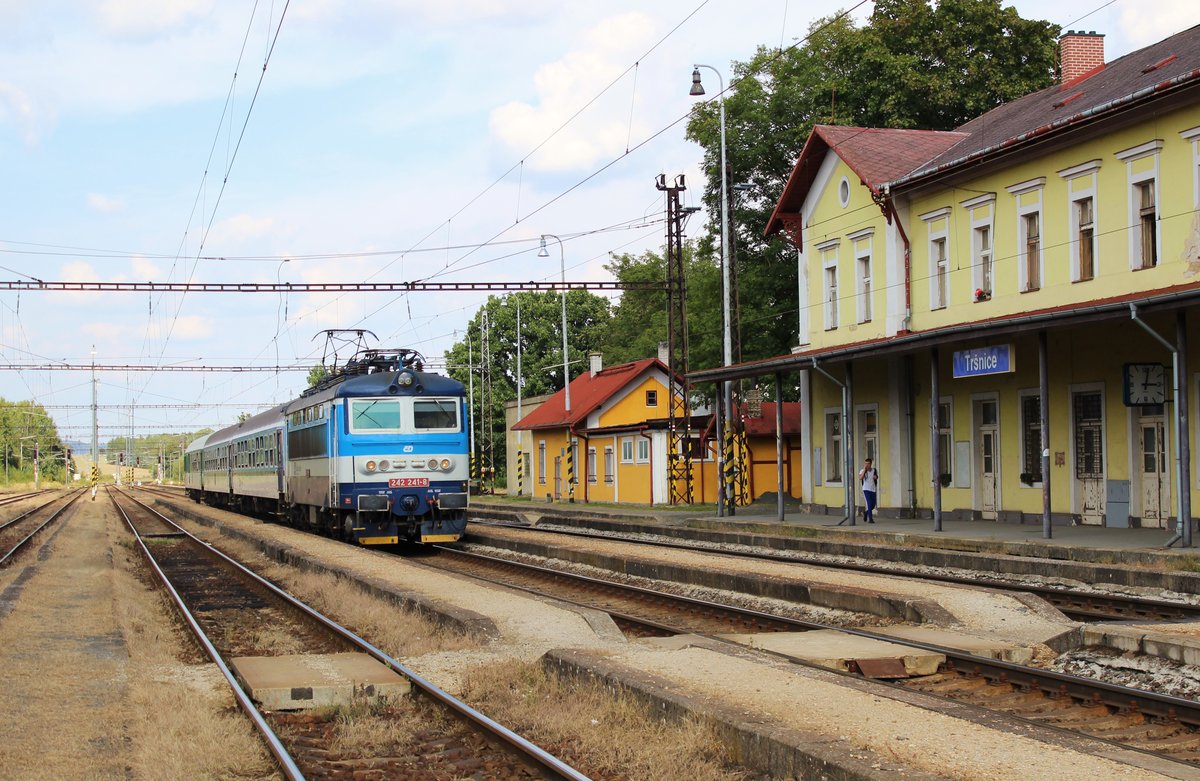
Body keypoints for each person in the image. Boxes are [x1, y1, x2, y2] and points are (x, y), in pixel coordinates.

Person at [859, 457, 878, 523]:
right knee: (869, 503)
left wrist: (875, 477)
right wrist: (864, 470)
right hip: (866, 489)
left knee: (873, 505)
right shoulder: (862, 470)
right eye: (865, 464)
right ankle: (870, 519)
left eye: (868, 464)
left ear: (871, 464)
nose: (867, 465)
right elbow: (860, 478)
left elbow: (876, 477)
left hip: (873, 489)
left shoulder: (874, 470)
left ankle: (865, 513)